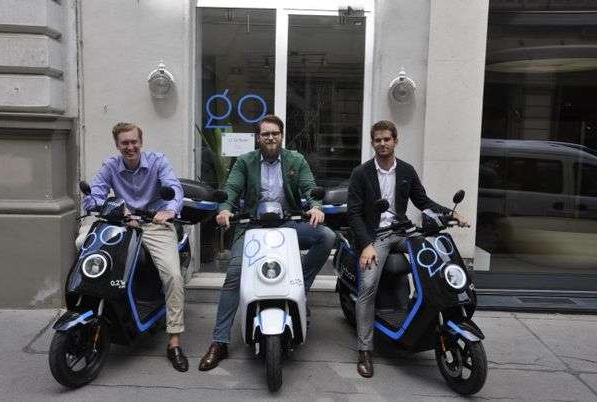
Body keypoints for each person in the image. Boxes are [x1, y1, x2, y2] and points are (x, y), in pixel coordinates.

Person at [198, 114, 336, 371]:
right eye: (265, 134)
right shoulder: (245, 161)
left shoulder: (295, 159)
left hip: (288, 224)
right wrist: (225, 209)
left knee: (326, 237)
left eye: (275, 133)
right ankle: (220, 341)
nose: (270, 138)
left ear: (281, 135)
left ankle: (300, 289)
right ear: (258, 138)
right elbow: (231, 189)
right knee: (235, 274)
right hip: (252, 226)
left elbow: (309, 187)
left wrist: (315, 206)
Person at [347, 120, 468, 378]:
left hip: (402, 232)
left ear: (395, 141)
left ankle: (420, 315)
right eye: (378, 140)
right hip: (375, 236)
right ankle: (365, 350)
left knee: (434, 262)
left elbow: (422, 201)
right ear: (372, 143)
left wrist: (451, 214)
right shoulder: (361, 173)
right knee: (368, 287)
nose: (382, 143)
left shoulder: (406, 170)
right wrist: (366, 245)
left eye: (387, 139)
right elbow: (354, 214)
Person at [77, 122, 189, 372]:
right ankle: (93, 311)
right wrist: (99, 202)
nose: (130, 147)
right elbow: (95, 196)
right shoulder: (110, 166)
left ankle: (174, 340)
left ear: (141, 142)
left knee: (173, 275)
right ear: (117, 145)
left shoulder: (158, 161)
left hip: (154, 223)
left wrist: (169, 210)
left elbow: (174, 189)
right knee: (82, 244)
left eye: (133, 142)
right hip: (122, 223)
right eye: (124, 143)